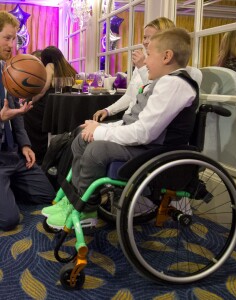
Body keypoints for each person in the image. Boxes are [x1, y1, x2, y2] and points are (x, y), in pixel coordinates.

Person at [43, 27, 200, 228]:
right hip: (146, 145)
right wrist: (97, 126)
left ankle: (85, 210)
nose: (145, 61)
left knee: (95, 150)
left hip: (155, 151)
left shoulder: (175, 84)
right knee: (83, 138)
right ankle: (74, 199)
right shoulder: (163, 82)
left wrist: (100, 132)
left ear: (167, 56)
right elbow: (133, 121)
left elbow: (144, 132)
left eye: (149, 55)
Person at [0, 11, 55, 231]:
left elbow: (17, 115)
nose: (12, 44)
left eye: (14, 38)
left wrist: (24, 145)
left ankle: (8, 187)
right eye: (7, 38)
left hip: (13, 153)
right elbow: (5, 115)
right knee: (9, 221)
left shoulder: (9, 69)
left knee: (47, 194)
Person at [93, 17, 176, 122]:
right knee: (81, 130)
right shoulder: (142, 62)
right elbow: (129, 95)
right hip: (127, 120)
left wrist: (142, 67)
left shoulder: (167, 67)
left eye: (150, 38)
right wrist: (108, 110)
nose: (145, 42)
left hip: (138, 124)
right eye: (144, 37)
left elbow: (153, 93)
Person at [24, 46, 77, 165]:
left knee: (27, 113)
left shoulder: (50, 66)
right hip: (62, 106)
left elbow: (43, 89)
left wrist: (30, 101)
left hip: (49, 105)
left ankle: (35, 151)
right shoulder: (68, 68)